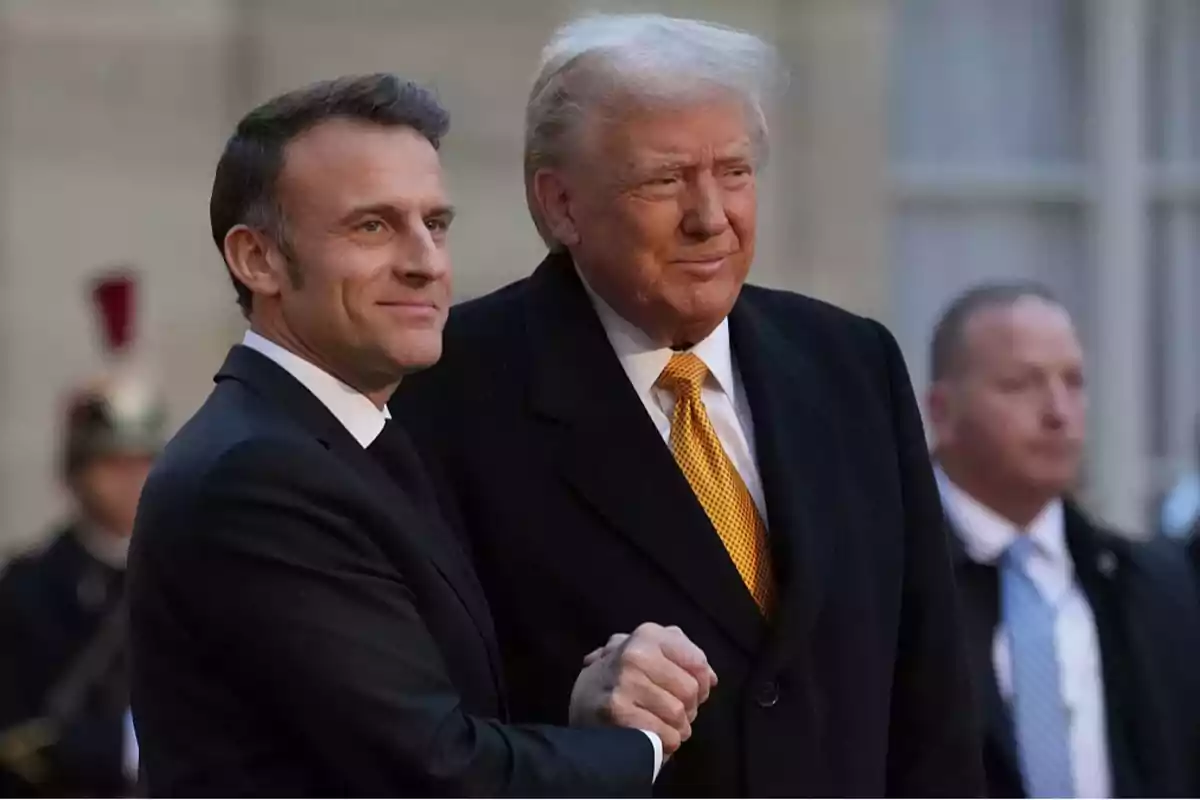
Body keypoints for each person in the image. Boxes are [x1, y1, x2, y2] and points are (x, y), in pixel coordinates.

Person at [390, 14, 984, 797]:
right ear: (560, 204)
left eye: (734, 172)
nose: (712, 216)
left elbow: (932, 698)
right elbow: (417, 728)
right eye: (665, 180)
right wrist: (573, 715)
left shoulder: (851, 364)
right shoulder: (446, 390)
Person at [128, 74, 717, 797]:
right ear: (259, 259)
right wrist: (641, 747)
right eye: (372, 226)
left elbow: (411, 723)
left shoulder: (348, 443)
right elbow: (434, 773)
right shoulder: (258, 475)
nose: (425, 263)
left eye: (434, 225)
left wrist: (585, 709)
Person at [925, 282, 1200, 797]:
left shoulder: (1152, 587)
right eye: (1021, 384)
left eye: (1074, 383)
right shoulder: (887, 583)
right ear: (942, 411)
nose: (1059, 412)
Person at [0, 271, 163, 797]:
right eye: (111, 463)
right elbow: (21, 744)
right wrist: (130, 746)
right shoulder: (28, 591)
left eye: (145, 462)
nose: (131, 480)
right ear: (74, 473)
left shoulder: (196, 578)